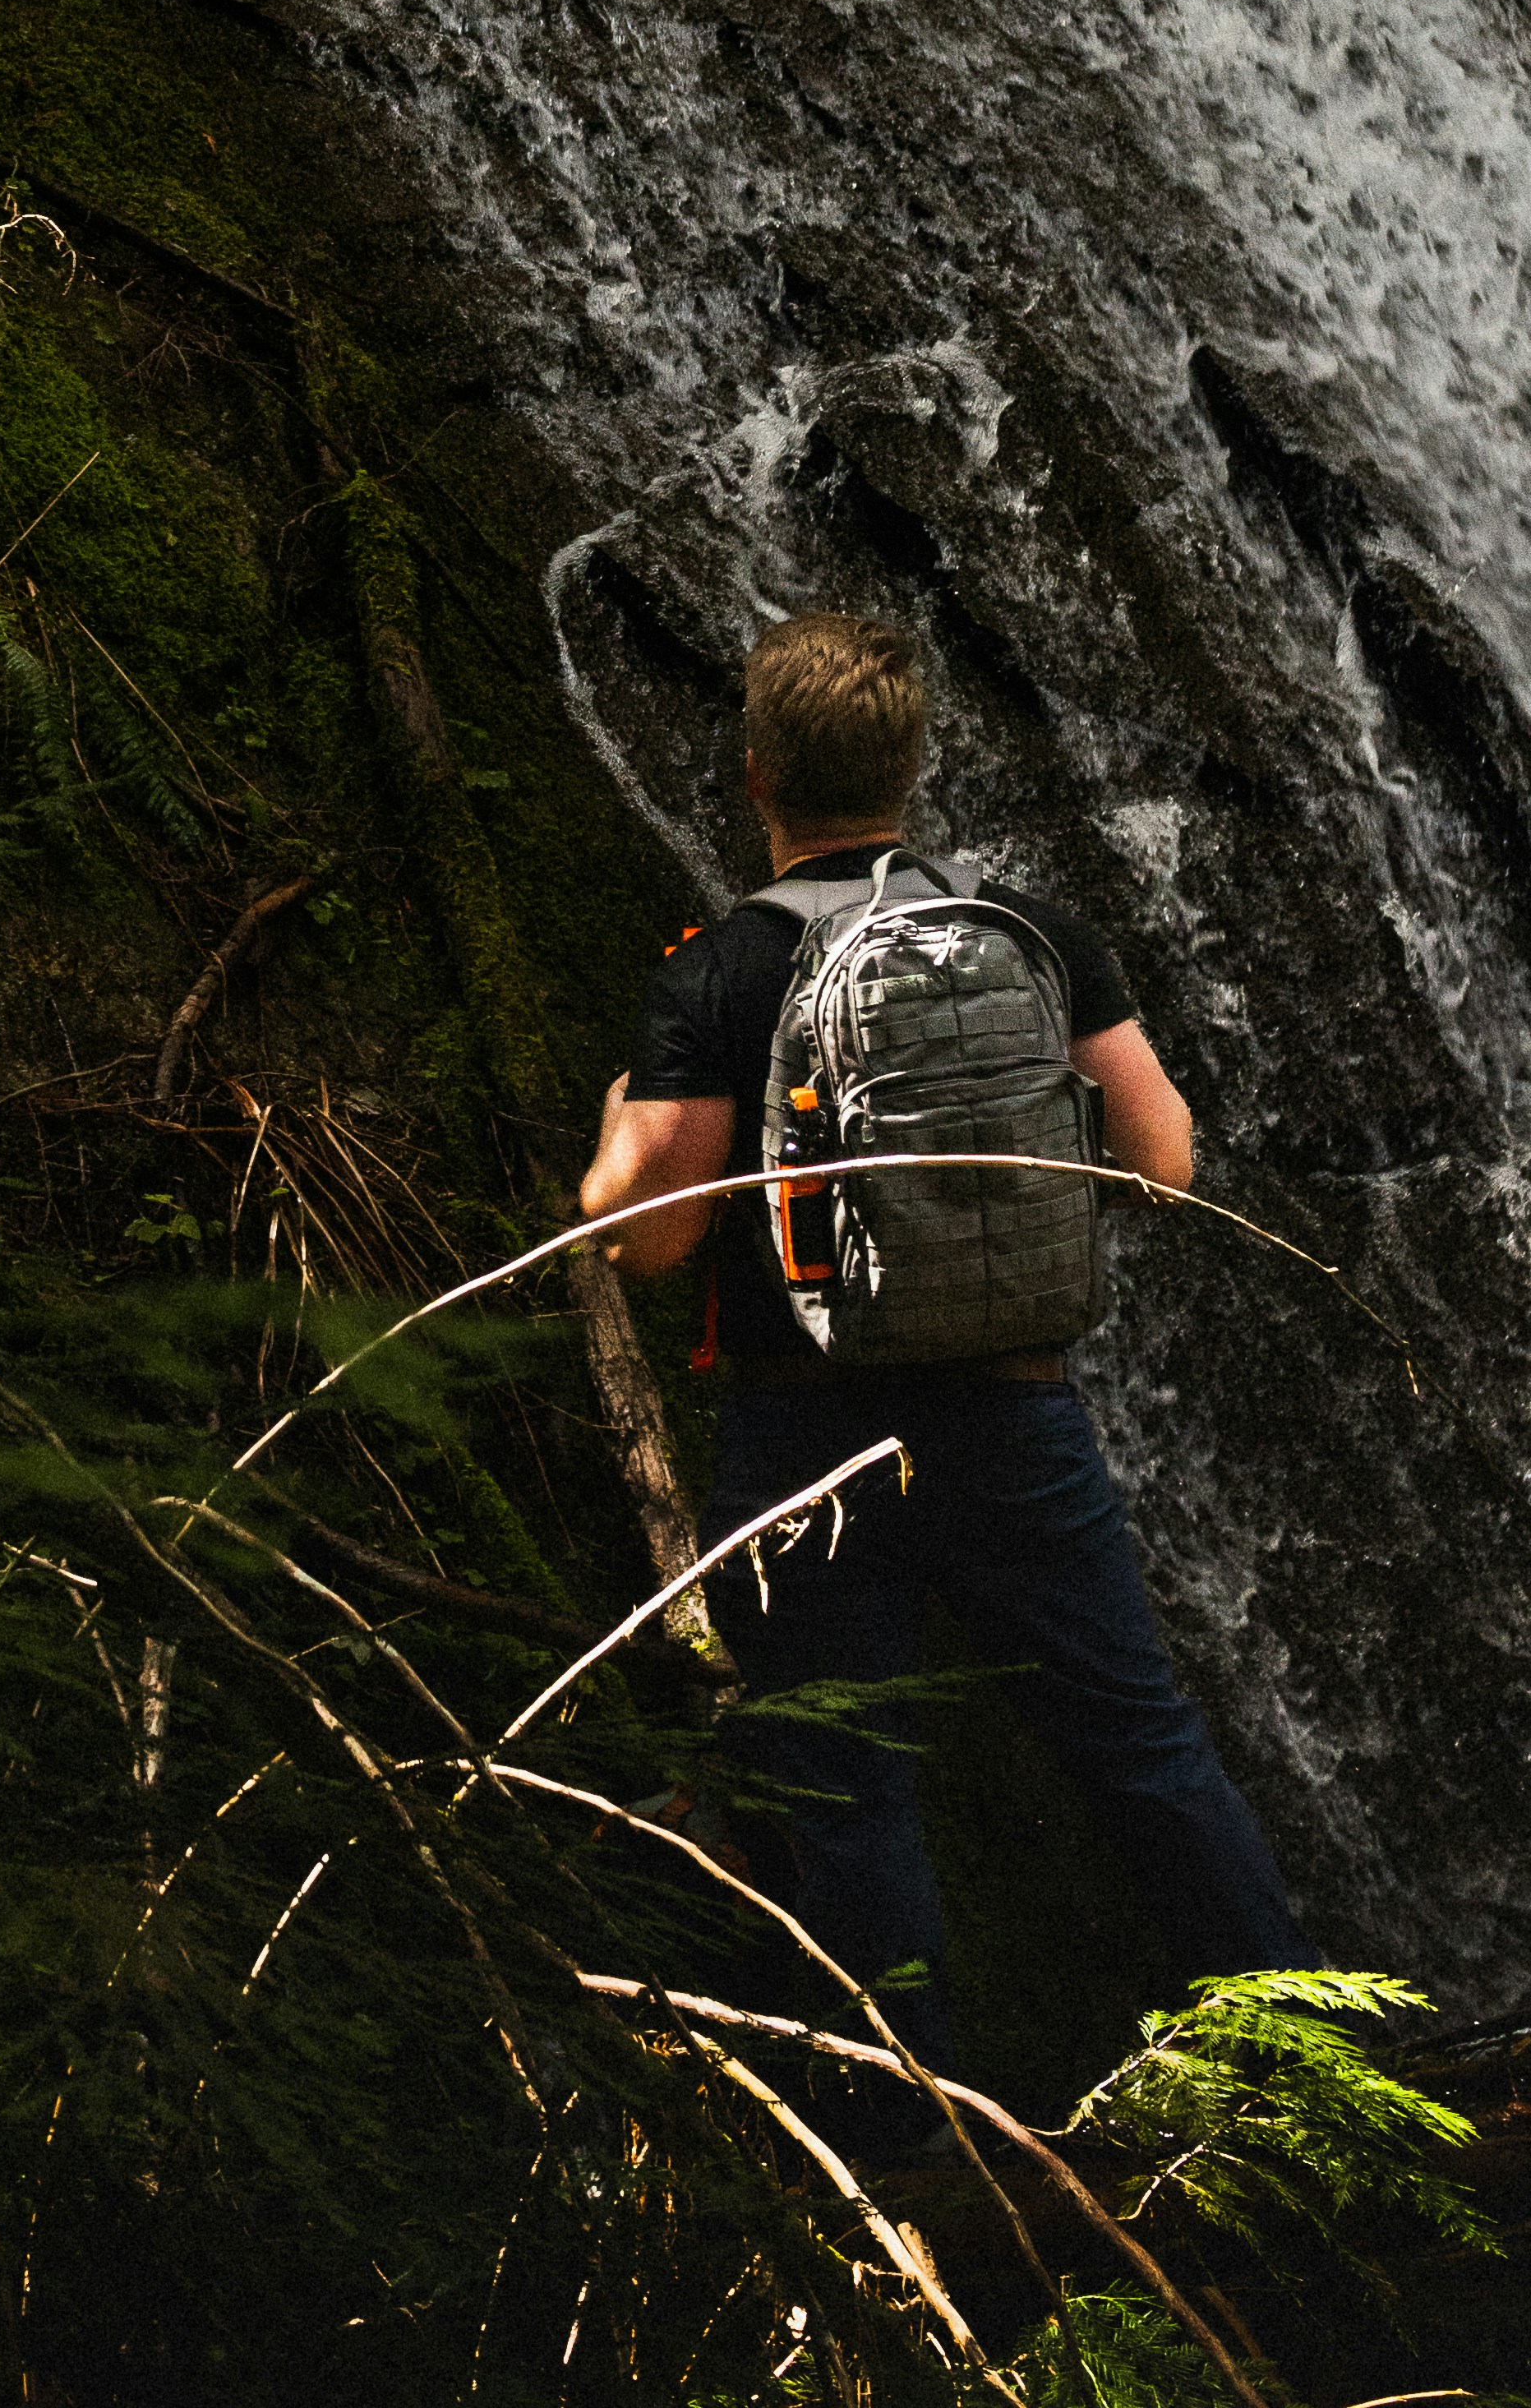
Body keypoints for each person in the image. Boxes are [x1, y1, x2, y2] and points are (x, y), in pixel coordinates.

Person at [574, 607, 1296, 2120]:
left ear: (755, 773)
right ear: (914, 769)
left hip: (807, 1442)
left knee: (848, 1786)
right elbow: (1162, 1158)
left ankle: (915, 2141)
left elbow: (642, 1238)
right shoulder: (1028, 934)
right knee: (1145, 1749)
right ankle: (1308, 2066)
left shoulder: (716, 974)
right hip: (1013, 1412)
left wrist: (613, 1125)